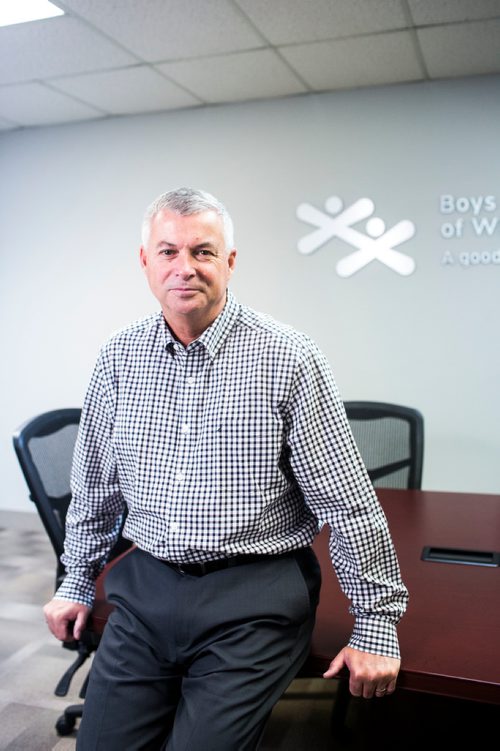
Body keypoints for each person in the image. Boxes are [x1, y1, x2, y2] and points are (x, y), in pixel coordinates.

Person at [44, 187, 408, 750]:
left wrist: (376, 625)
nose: (183, 268)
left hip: (254, 598)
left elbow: (348, 504)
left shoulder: (288, 356)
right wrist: (75, 580)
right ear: (145, 262)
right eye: (167, 252)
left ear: (230, 262)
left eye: (203, 252)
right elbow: (95, 489)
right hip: (147, 587)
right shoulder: (118, 358)